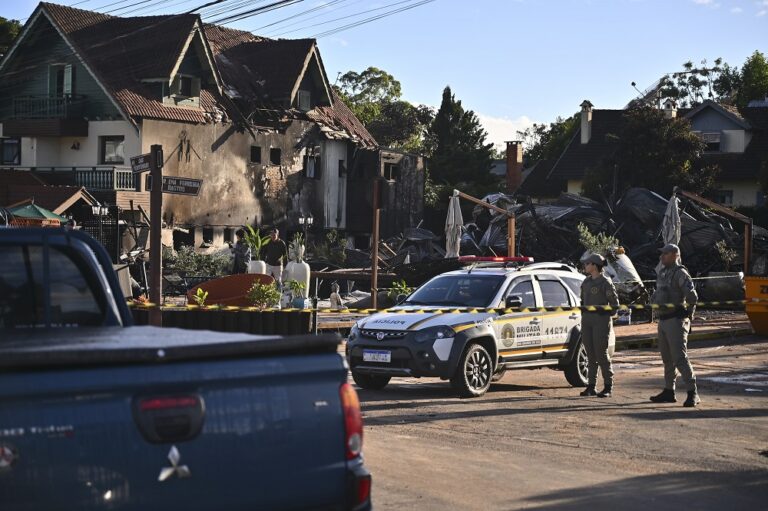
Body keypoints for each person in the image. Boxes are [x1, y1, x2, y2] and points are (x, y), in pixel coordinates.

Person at [650, 243, 700, 407]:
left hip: (676, 321)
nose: (661, 257)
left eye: (664, 254)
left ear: (674, 255)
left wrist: (689, 316)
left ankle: (693, 393)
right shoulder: (663, 273)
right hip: (663, 320)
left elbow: (692, 297)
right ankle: (669, 391)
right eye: (661, 254)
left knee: (679, 358)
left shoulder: (681, 274)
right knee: (667, 359)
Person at [579, 253, 620, 398]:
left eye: (588, 263)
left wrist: (603, 313)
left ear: (595, 266)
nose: (585, 266)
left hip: (600, 321)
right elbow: (582, 302)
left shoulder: (605, 282)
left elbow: (615, 305)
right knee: (590, 355)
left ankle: (608, 385)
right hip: (587, 321)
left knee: (601, 354)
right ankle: (591, 386)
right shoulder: (586, 282)